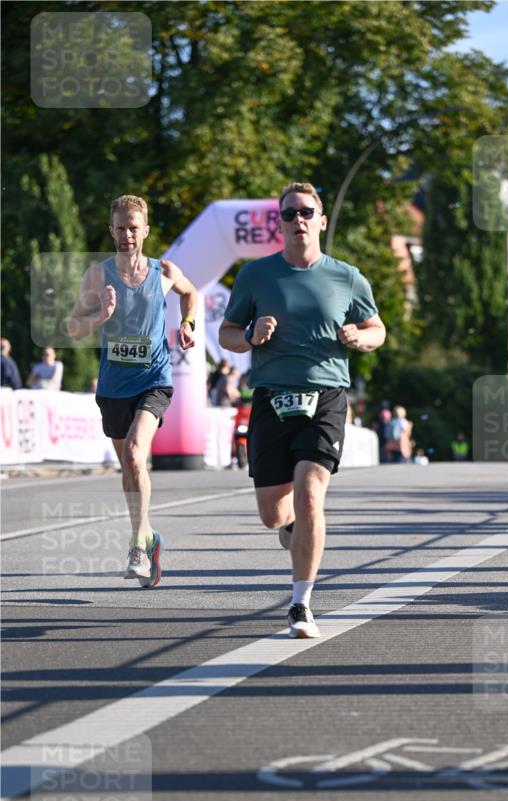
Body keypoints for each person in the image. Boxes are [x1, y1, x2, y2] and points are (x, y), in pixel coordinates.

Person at [219, 180, 385, 638]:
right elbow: (227, 333)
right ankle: (292, 527)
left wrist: (359, 338)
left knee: (310, 490)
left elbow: (378, 329)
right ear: (280, 222)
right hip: (272, 398)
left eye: (306, 213)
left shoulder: (347, 276)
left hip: (326, 396)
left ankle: (300, 604)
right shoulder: (256, 275)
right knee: (274, 514)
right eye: (289, 214)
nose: (298, 220)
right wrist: (251, 335)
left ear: (321, 220)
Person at [68, 193, 197, 586]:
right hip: (113, 385)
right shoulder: (97, 275)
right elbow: (73, 328)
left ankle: (138, 547)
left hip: (153, 380)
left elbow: (192, 294)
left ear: (146, 230)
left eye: (133, 228)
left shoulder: (165, 271)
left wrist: (187, 324)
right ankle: (150, 536)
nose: (127, 235)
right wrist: (100, 315)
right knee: (128, 465)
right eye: (120, 228)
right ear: (111, 230)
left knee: (137, 455)